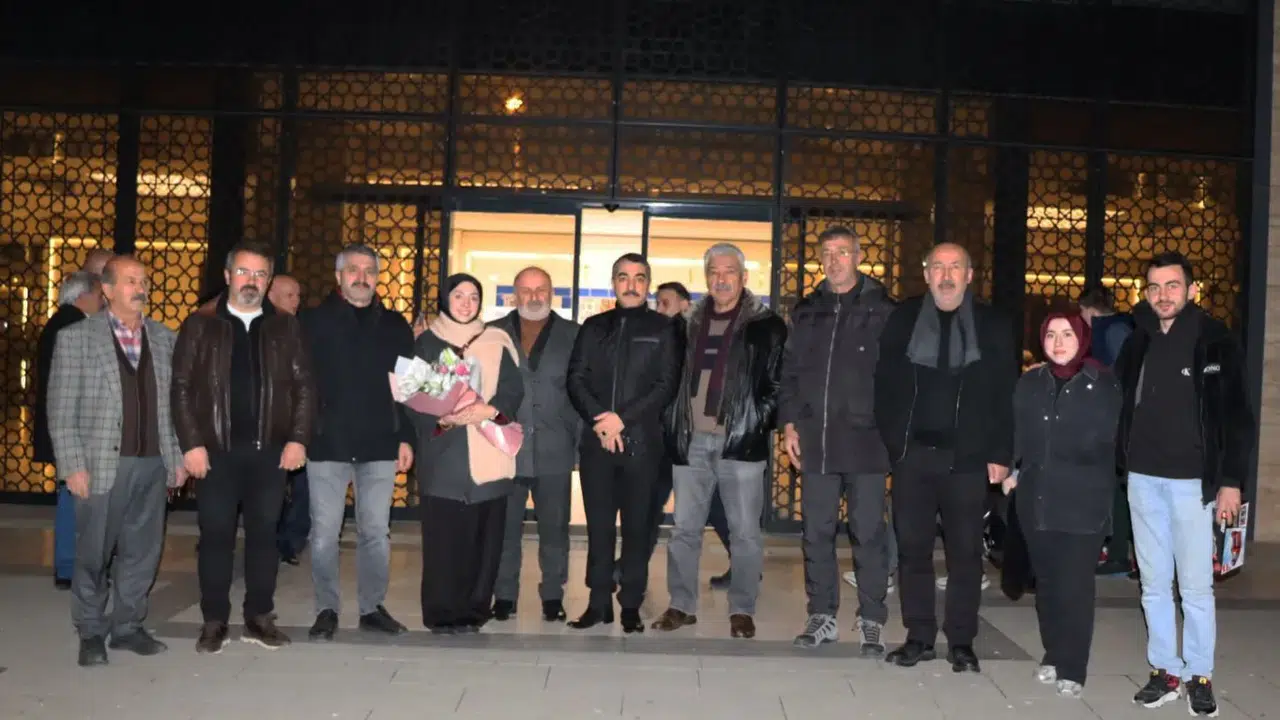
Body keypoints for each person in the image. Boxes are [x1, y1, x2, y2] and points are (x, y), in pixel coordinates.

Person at [1116, 252, 1253, 716]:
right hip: (1142, 479)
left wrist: (1230, 482)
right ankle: (1165, 670)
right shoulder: (1138, 340)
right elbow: (1118, 400)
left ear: (1192, 290)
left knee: (1195, 588)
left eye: (1172, 285)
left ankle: (1199, 674)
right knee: (1153, 584)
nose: (1163, 295)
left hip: (1193, 485)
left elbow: (1238, 418)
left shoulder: (1216, 341)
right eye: (1154, 287)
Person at [873, 242, 1017, 672]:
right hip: (913, 456)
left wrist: (1001, 452)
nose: (947, 275)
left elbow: (1006, 393)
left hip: (968, 459)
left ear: (969, 275)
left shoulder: (993, 324)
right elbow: (883, 384)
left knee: (965, 555)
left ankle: (961, 641)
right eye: (938, 266)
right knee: (912, 551)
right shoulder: (903, 319)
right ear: (927, 274)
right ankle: (918, 636)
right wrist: (894, 444)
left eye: (955, 266)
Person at [172, 241, 315, 653]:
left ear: (268, 281)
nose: (251, 281)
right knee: (215, 536)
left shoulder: (285, 326)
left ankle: (259, 617)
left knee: (264, 536)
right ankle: (214, 620)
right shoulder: (201, 324)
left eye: (259, 274)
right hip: (214, 454)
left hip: (270, 452)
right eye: (243, 272)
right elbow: (180, 388)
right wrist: (191, 444)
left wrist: (298, 439)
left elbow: (305, 386)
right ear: (227, 275)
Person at [47, 256, 186, 666]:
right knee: (93, 553)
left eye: (143, 280)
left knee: (143, 551)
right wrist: (73, 466)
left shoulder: (165, 339)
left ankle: (127, 626)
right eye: (130, 281)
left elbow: (174, 408)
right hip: (100, 465)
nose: (140, 288)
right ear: (106, 289)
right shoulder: (76, 339)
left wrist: (176, 457)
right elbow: (61, 409)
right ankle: (90, 630)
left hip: (153, 463)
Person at [652, 244, 785, 640]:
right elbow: (668, 379)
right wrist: (672, 422)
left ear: (743, 277)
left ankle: (742, 609)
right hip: (691, 441)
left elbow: (778, 384)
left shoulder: (766, 326)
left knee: (744, 533)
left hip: (740, 443)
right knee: (684, 530)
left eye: (729, 271)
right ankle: (681, 605)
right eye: (714, 271)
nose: (722, 279)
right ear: (706, 277)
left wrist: (754, 423)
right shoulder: (686, 324)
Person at [777, 226, 896, 654]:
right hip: (817, 439)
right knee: (816, 532)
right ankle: (822, 615)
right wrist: (789, 423)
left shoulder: (884, 310)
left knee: (868, 532)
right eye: (827, 252)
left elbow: (899, 379)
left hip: (868, 441)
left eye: (842, 252)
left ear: (858, 257)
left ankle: (872, 617)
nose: (834, 260)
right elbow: (789, 372)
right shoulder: (808, 310)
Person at [1004, 312, 1122, 698]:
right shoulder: (1030, 382)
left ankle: (1073, 667)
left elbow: (1111, 442)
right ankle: (1054, 654)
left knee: (1075, 586)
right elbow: (1016, 432)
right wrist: (1011, 469)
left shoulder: (1103, 384)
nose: (1058, 342)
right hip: (1036, 499)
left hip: (1083, 502)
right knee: (1048, 584)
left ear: (1082, 338)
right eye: (1051, 334)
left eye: (1067, 334)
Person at [301, 245, 414, 640]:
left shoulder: (395, 325)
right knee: (324, 533)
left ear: (378, 277)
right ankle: (326, 608)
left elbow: (407, 389)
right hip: (326, 443)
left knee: (376, 533)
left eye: (369, 270)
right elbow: (298, 384)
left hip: (380, 443)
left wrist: (406, 437)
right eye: (353, 269)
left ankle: (372, 608)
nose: (361, 277)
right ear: (338, 276)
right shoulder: (312, 322)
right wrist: (300, 435)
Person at [566, 253, 680, 633]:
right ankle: (598, 602)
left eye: (639, 278)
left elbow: (666, 385)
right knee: (598, 528)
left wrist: (622, 419)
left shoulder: (664, 329)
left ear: (648, 284)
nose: (631, 285)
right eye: (623, 277)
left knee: (637, 529)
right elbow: (575, 378)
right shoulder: (593, 327)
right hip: (597, 443)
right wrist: (601, 419)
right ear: (613, 283)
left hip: (642, 446)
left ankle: (630, 603)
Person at [410, 273, 523, 634]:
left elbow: (513, 390)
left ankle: (474, 610)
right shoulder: (427, 342)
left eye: (473, 296)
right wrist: (440, 418)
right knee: (444, 541)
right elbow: (410, 396)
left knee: (484, 541)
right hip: (444, 455)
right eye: (458, 295)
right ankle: (442, 612)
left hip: (488, 452)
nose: (466, 303)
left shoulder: (497, 340)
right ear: (445, 298)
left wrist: (490, 410)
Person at [490, 267, 580, 623]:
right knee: (504, 530)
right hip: (504, 449)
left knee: (555, 530)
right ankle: (504, 596)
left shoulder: (574, 335)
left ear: (552, 292)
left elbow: (582, 391)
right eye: (526, 290)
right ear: (514, 294)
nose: (533, 296)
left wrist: (579, 445)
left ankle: (553, 596)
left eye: (541, 289)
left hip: (555, 447)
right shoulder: (492, 333)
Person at [34, 271, 103, 590]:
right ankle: (69, 566)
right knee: (72, 497)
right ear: (82, 296)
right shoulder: (73, 326)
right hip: (75, 429)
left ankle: (69, 566)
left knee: (72, 495)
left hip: (66, 426)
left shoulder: (58, 322)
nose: (102, 301)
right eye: (99, 295)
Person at [1078, 284, 1137, 578]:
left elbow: (1119, 378)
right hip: (1113, 421)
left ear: (1090, 310)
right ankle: (1114, 550)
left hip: (1116, 423)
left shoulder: (1112, 332)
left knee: (1116, 488)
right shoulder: (1116, 328)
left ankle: (1117, 553)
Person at [267, 274, 311, 565]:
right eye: (289, 295)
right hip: (268, 426)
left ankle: (290, 542)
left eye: (298, 296)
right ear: (271, 296)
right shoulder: (258, 329)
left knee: (302, 486)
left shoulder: (301, 329)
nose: (296, 302)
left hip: (298, 424)